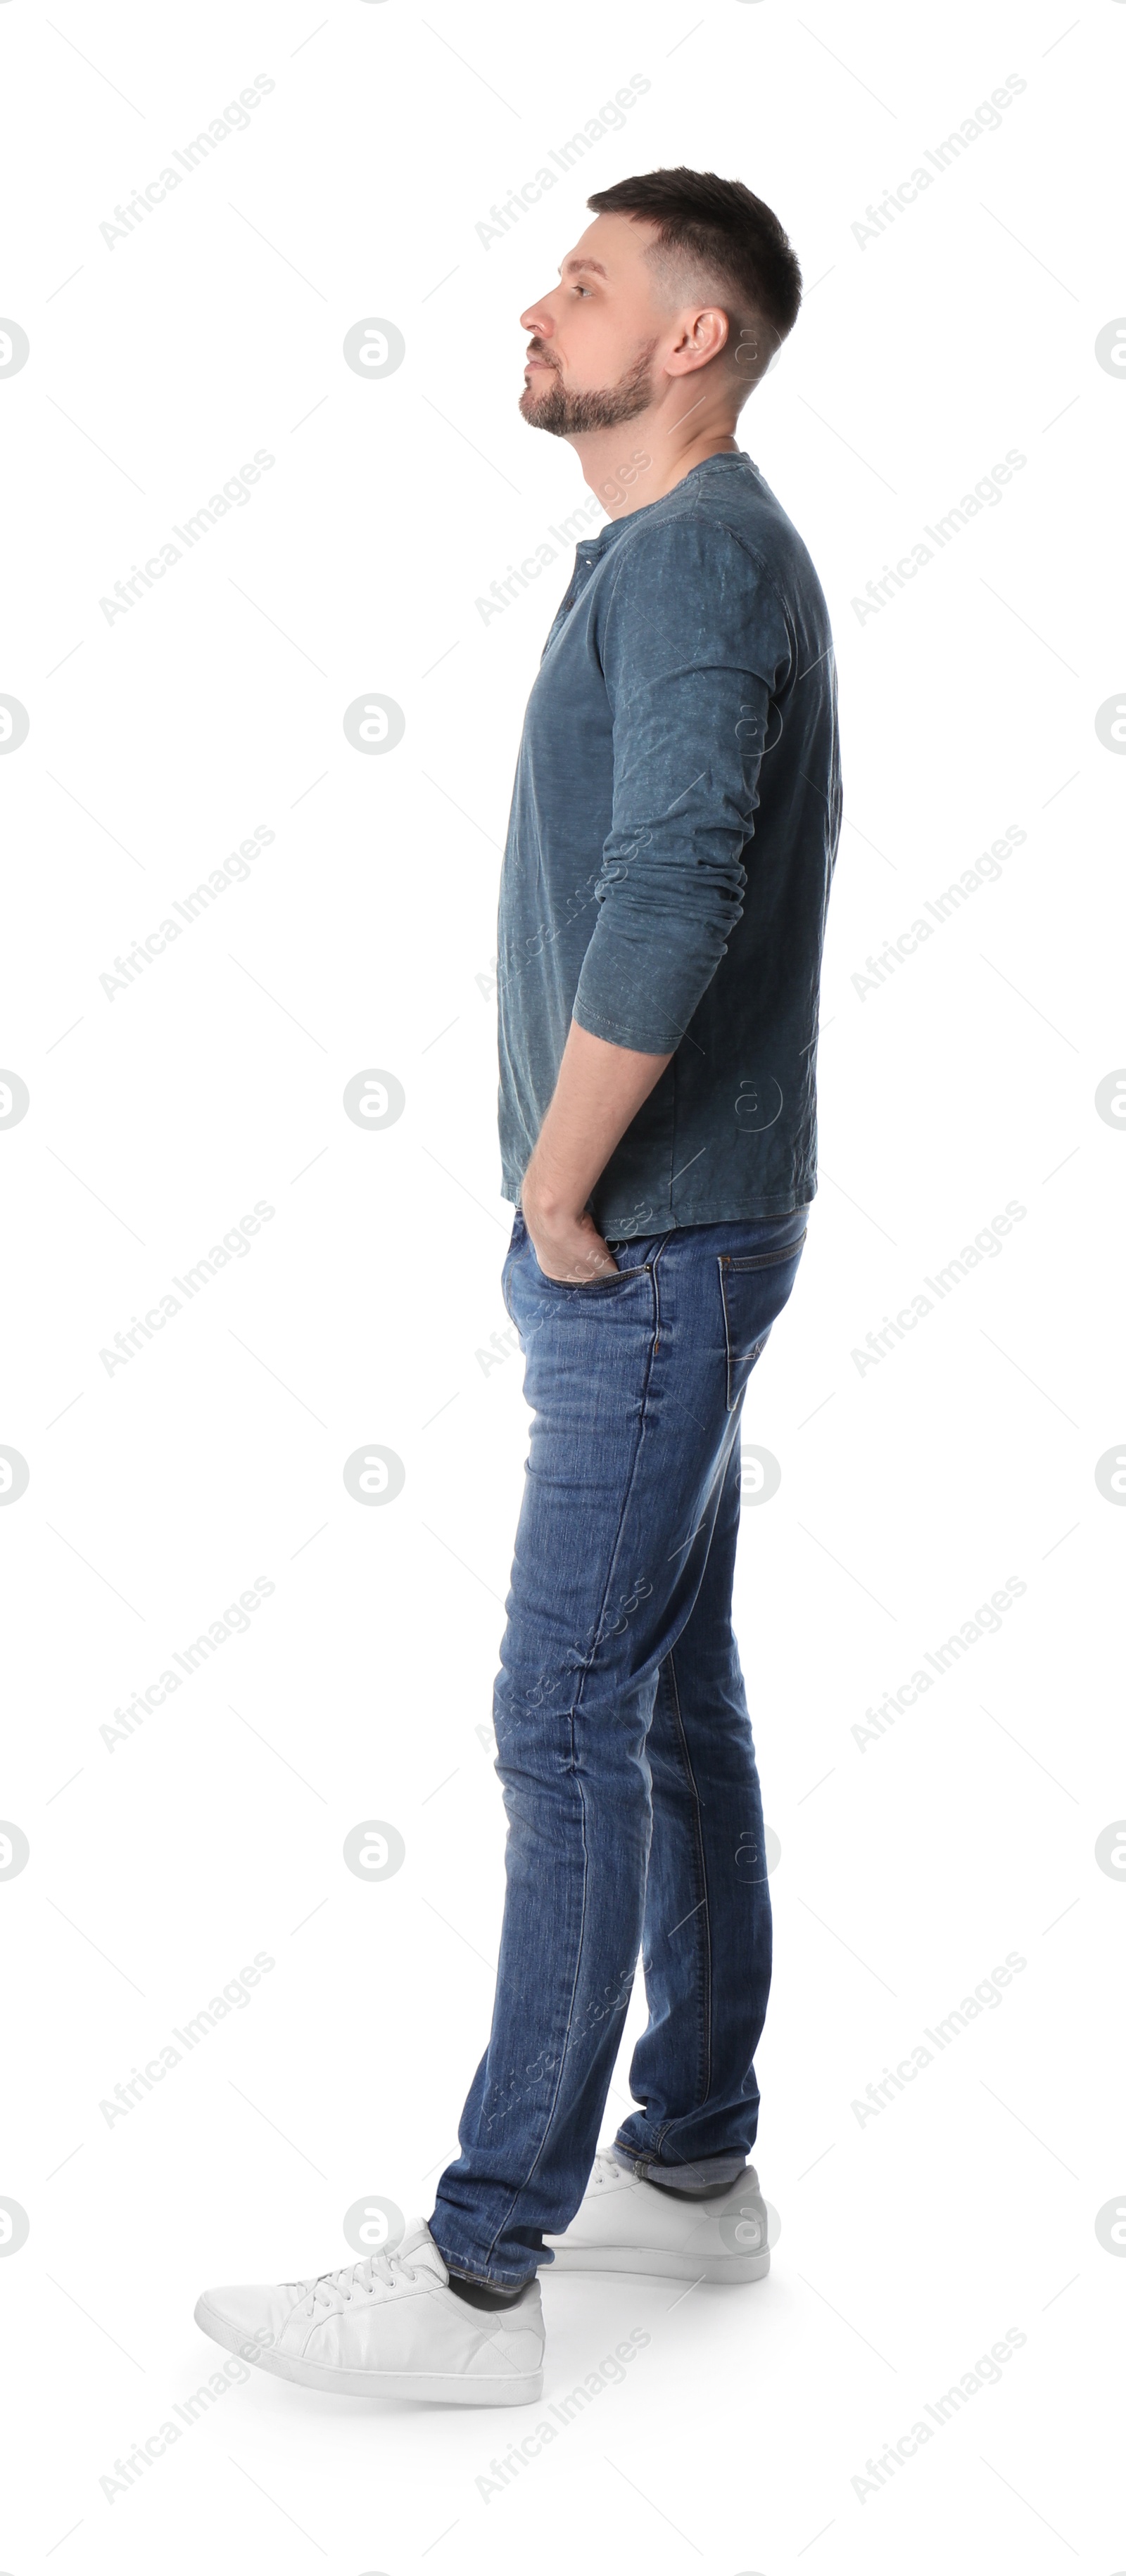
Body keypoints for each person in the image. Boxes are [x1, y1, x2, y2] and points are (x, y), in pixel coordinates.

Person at [196, 165, 841, 2407]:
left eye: (585, 282)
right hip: (693, 1227)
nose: (536, 304)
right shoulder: (691, 556)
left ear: (693, 341)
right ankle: (691, 2164)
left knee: (561, 1716)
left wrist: (561, 1191)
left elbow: (669, 889)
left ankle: (482, 2280)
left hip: (649, 1241)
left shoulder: (695, 564)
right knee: (668, 1694)